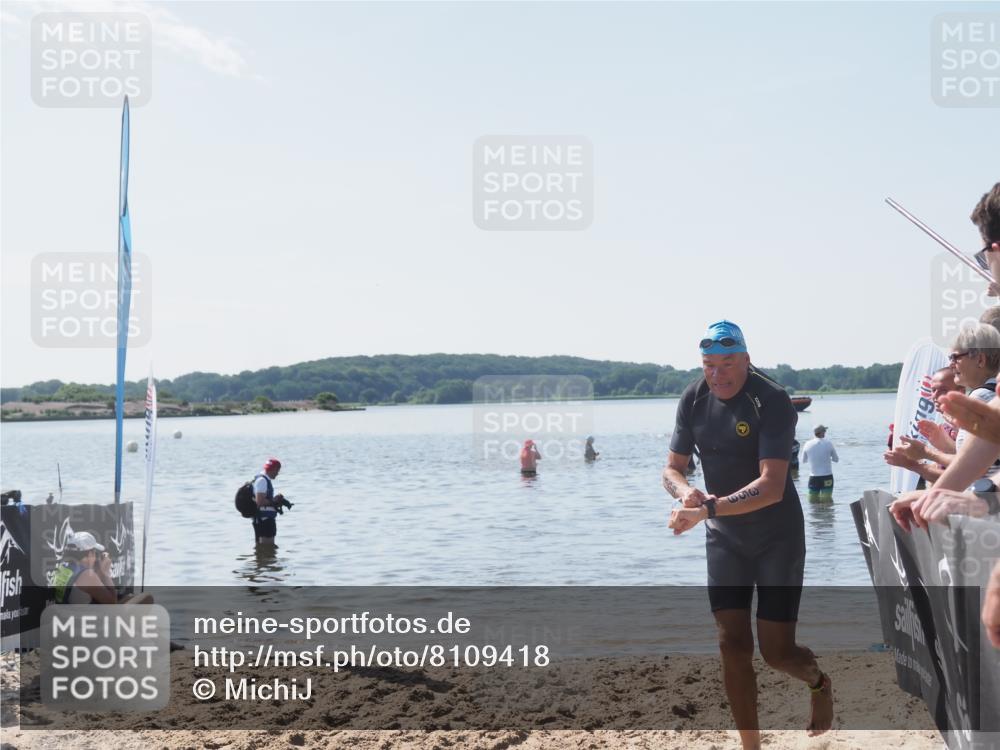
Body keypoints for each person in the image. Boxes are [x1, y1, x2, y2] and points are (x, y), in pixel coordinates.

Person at [661, 320, 832, 750]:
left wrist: (708, 509)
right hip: (724, 538)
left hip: (777, 536)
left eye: (727, 363)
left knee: (777, 653)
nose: (717, 374)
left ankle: (817, 681)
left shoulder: (770, 399)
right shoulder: (694, 397)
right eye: (708, 365)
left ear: (746, 360)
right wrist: (686, 494)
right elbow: (671, 469)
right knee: (731, 644)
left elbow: (772, 485)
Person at [52, 531, 151, 605]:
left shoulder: (63, 567)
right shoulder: (87, 575)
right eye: (95, 553)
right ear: (90, 554)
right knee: (146, 598)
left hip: (66, 618)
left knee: (130, 597)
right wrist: (105, 573)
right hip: (82, 626)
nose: (96, 557)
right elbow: (112, 603)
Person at [253, 458, 289, 547]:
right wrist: (274, 500)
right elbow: (260, 501)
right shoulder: (262, 480)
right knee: (268, 547)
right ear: (274, 469)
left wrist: (274, 500)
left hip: (261, 519)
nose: (278, 473)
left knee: (262, 550)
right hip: (265, 520)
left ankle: (263, 560)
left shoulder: (262, 479)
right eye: (277, 470)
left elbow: (261, 499)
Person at [801, 425, 838, 499]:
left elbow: (803, 461)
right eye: (824, 431)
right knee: (826, 500)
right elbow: (836, 459)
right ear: (821, 433)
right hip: (827, 476)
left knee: (812, 500)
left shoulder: (807, 444)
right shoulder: (828, 443)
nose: (825, 432)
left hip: (813, 477)